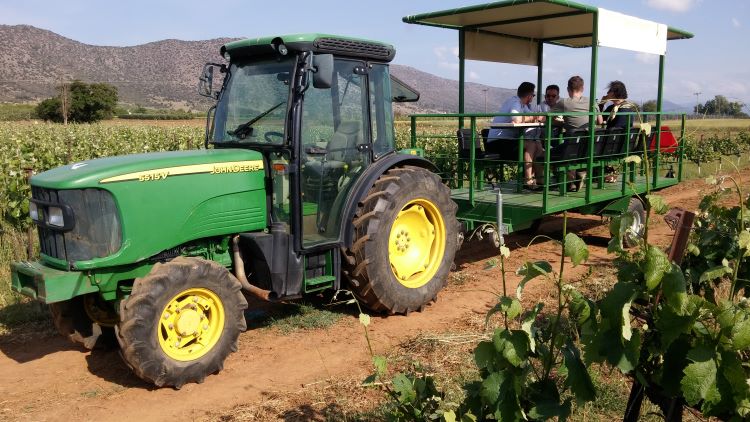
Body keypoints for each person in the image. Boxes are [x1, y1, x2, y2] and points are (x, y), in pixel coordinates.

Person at [486, 82, 544, 189]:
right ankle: (528, 181)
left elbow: (531, 116)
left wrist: (536, 117)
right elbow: (516, 119)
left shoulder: (522, 104)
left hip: (506, 141)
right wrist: (533, 117)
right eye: (533, 95)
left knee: (537, 145)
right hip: (496, 143)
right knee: (531, 145)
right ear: (529, 96)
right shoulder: (515, 102)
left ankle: (539, 179)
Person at [551, 76, 594, 191]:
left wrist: (562, 123)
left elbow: (546, 118)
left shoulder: (564, 103)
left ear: (568, 89)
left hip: (571, 146)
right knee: (570, 151)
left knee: (546, 155)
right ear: (583, 88)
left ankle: (567, 182)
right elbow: (599, 121)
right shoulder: (591, 101)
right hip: (589, 146)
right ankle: (575, 178)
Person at [597, 80, 636, 183]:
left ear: (614, 93)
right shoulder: (615, 107)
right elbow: (599, 118)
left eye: (609, 91)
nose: (607, 94)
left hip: (614, 145)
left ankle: (602, 173)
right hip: (617, 144)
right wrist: (602, 104)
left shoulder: (623, 110)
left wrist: (601, 104)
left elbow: (616, 130)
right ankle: (606, 173)